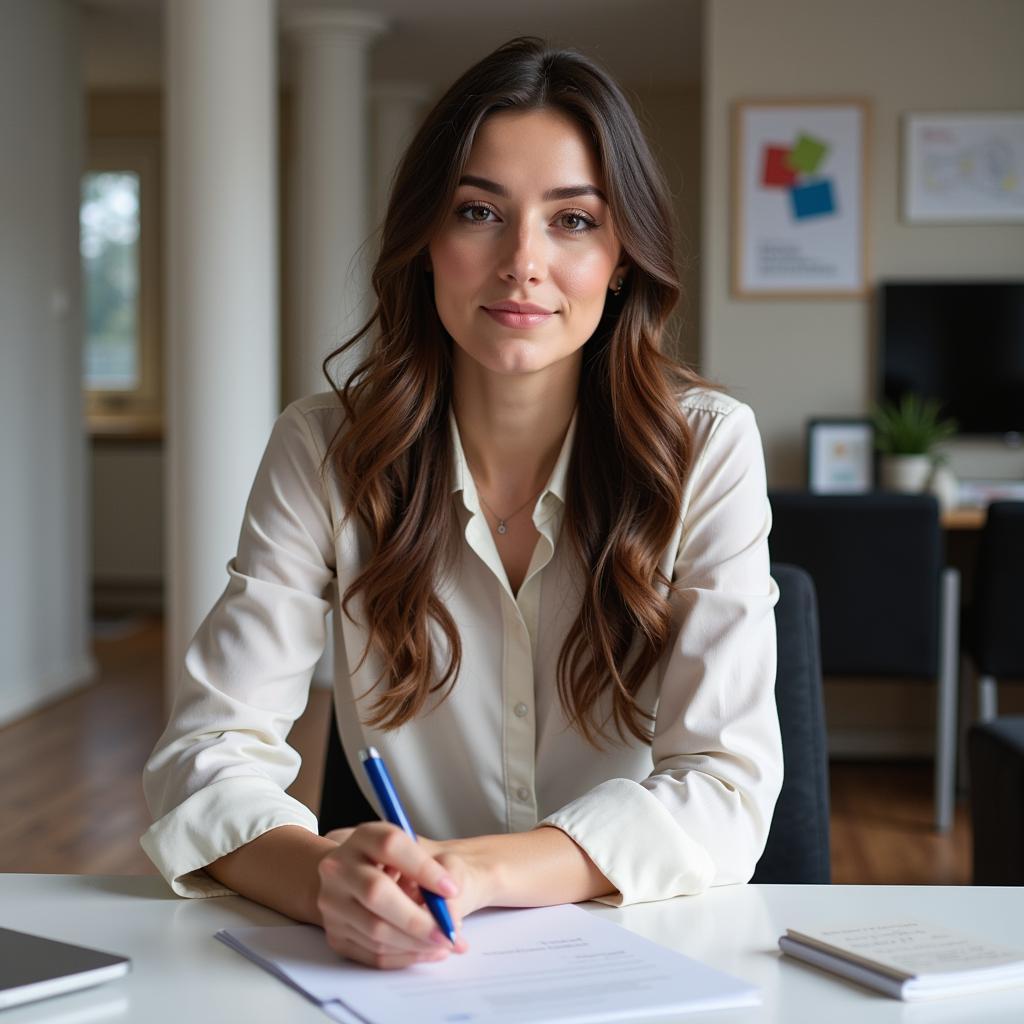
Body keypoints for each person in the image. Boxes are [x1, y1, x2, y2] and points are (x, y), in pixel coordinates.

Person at [141, 36, 782, 971]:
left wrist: (470, 873)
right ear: (425, 242)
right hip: (399, 960)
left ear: (622, 258)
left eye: (572, 221)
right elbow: (206, 755)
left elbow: (724, 788)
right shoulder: (324, 449)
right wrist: (324, 877)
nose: (523, 262)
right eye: (480, 211)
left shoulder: (708, 447)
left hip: (645, 944)